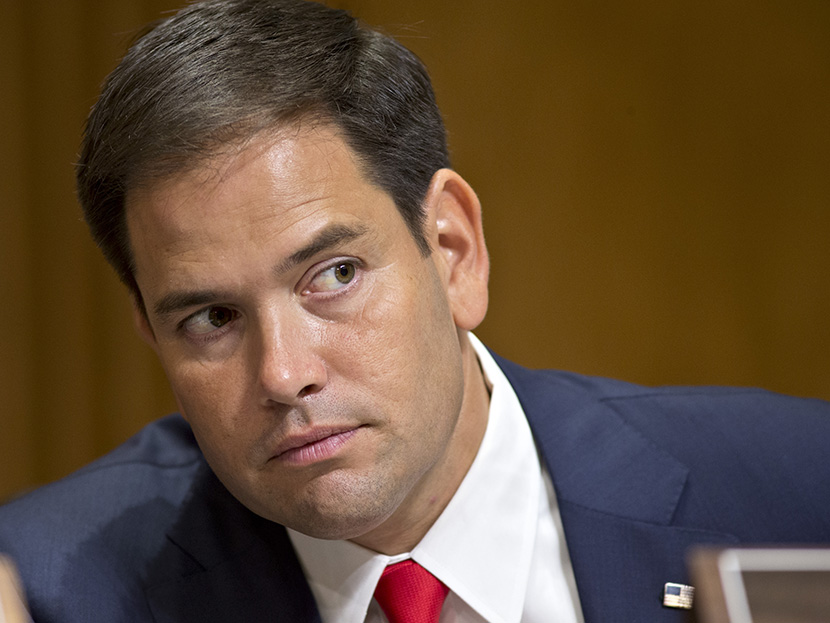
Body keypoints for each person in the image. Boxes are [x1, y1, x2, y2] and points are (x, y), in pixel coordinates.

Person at [1, 1, 829, 622]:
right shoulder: (53, 588)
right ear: (150, 332)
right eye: (212, 319)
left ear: (454, 248)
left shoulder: (795, 494)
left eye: (333, 274)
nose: (285, 373)